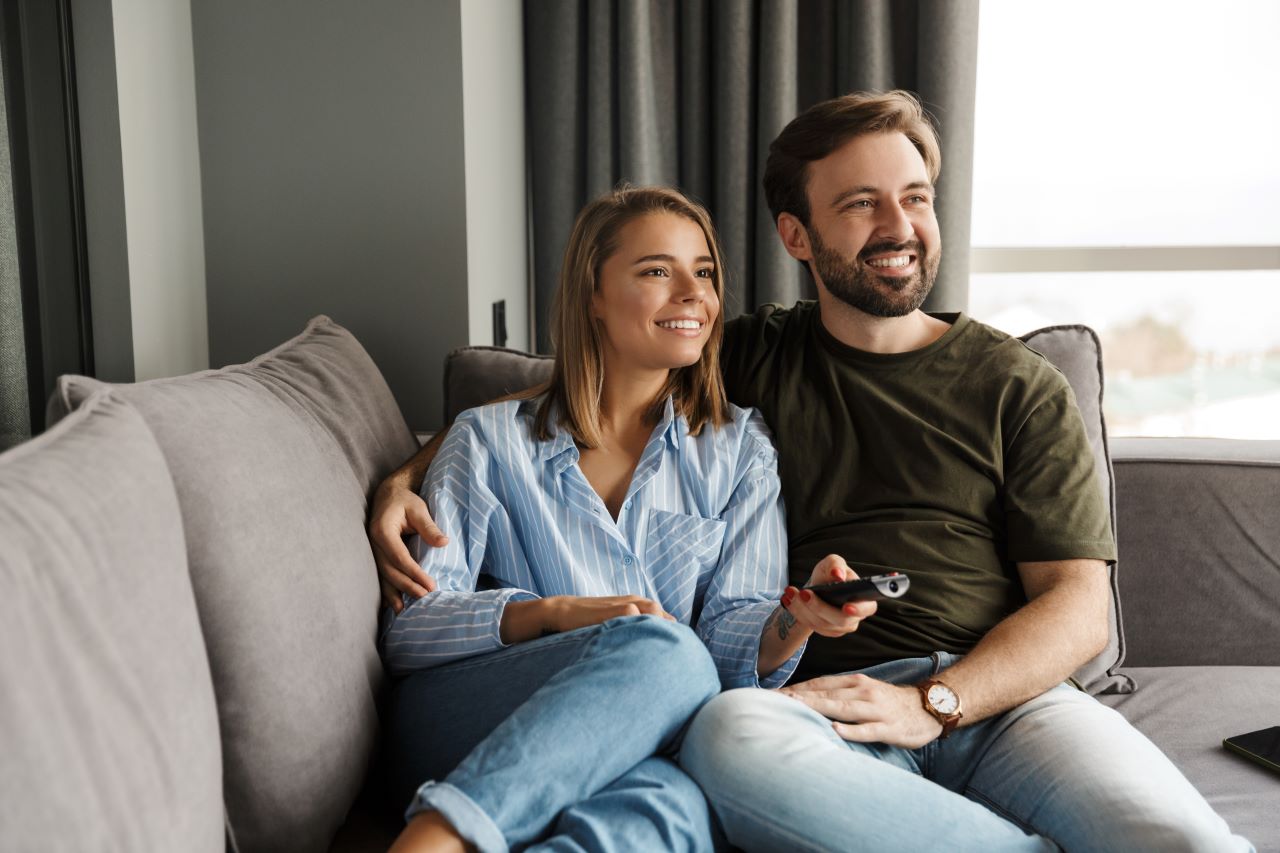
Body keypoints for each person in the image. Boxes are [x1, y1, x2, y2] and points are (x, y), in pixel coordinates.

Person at [372, 94, 1250, 851]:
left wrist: (937, 701)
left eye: (915, 198)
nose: (899, 226)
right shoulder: (748, 359)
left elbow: (1077, 607)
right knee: (726, 733)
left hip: (1002, 701)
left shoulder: (1018, 385)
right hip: (815, 710)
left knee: (1181, 837)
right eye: (863, 204)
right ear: (797, 232)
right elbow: (586, 381)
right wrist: (408, 467)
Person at [378, 185, 865, 853]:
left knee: (673, 803)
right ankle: (436, 838)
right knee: (668, 651)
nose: (693, 293)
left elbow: (729, 644)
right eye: (657, 270)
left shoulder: (738, 450)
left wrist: (796, 617)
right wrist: (556, 613)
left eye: (705, 272)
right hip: (468, 719)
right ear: (592, 296)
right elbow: (411, 630)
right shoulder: (488, 440)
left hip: (643, 728)